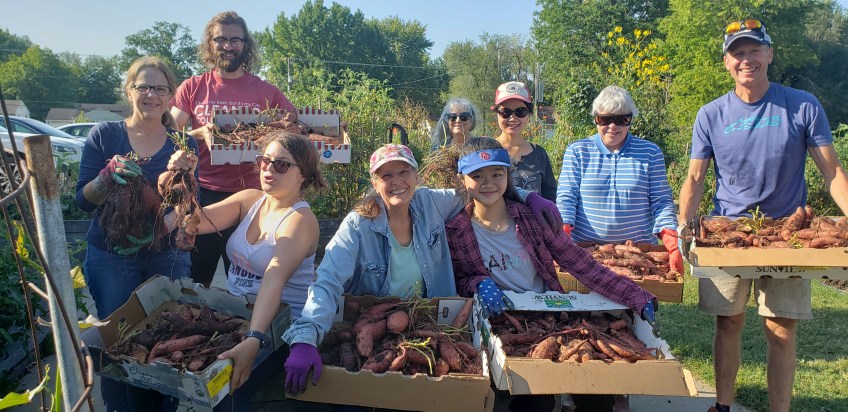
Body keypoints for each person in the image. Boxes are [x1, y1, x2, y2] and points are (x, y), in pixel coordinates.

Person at [281, 144, 563, 395]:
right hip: (376, 325)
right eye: (386, 175)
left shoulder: (431, 203)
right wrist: (306, 336)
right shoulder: (358, 225)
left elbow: (484, 188)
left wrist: (527, 197)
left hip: (432, 324)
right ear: (374, 182)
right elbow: (328, 279)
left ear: (417, 176)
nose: (396, 182)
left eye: (403, 172)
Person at [677, 19, 848, 412]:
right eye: (738, 53)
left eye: (754, 50)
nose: (746, 59)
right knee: (728, 323)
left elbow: (832, 172)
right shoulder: (711, 114)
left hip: (789, 234)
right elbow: (695, 177)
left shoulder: (802, 105)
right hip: (727, 233)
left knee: (781, 329)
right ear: (726, 62)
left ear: (769, 54)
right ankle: (722, 405)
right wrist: (683, 226)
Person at [446, 137, 657, 412]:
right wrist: (477, 283)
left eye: (497, 174)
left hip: (548, 320)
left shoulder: (531, 219)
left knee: (594, 391)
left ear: (508, 176)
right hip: (499, 327)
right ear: (463, 179)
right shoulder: (457, 231)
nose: (488, 183)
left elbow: (580, 263)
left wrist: (636, 295)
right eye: (477, 176)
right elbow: (458, 280)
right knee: (529, 400)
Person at [165, 132, 326, 411]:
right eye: (265, 161)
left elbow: (273, 278)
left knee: (231, 391)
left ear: (304, 174)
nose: (269, 169)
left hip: (279, 329)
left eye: (282, 165)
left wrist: (254, 339)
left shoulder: (300, 220)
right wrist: (182, 178)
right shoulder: (251, 200)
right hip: (238, 317)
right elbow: (194, 221)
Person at [75, 56, 199, 412]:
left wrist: (160, 225)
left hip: (166, 253)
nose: (151, 95)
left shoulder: (183, 142)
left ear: (170, 95)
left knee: (168, 335)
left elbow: (191, 206)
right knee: (116, 340)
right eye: (143, 86)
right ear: (129, 91)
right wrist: (105, 176)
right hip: (111, 255)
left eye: (160, 88)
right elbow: (83, 201)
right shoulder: (105, 135)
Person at [170, 11, 297, 287]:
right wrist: (198, 134)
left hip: (251, 198)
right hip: (203, 194)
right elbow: (169, 134)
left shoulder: (267, 91)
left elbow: (295, 129)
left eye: (235, 40)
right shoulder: (192, 87)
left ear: (245, 44)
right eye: (221, 39)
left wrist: (330, 127)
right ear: (210, 43)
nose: (228, 46)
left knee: (245, 280)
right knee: (194, 279)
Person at [556, 85, 682, 275]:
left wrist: (671, 238)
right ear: (596, 119)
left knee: (637, 303)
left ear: (631, 120)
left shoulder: (650, 152)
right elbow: (567, 196)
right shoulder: (578, 151)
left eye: (622, 119)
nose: (613, 126)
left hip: (638, 253)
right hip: (588, 251)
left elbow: (661, 201)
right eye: (605, 119)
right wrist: (562, 230)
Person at [492, 81, 557, 201]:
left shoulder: (539, 154)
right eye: (505, 112)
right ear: (497, 113)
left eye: (520, 111)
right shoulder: (486, 151)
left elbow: (550, 197)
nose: (512, 118)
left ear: (529, 114)